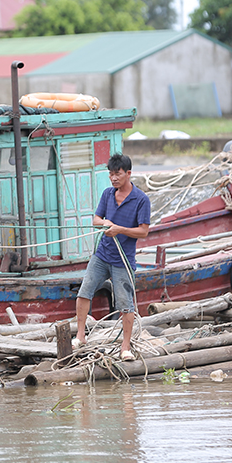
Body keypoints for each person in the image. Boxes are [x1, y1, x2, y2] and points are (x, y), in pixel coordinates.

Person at [74, 153, 151, 360]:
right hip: (102, 255)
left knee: (125, 304)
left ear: (128, 174)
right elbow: (96, 219)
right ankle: (80, 336)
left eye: (117, 174)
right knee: (84, 291)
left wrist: (120, 229)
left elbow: (143, 232)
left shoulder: (141, 199)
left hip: (123, 260)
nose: (113, 178)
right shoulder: (108, 194)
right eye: (110, 174)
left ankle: (125, 347)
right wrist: (105, 224)